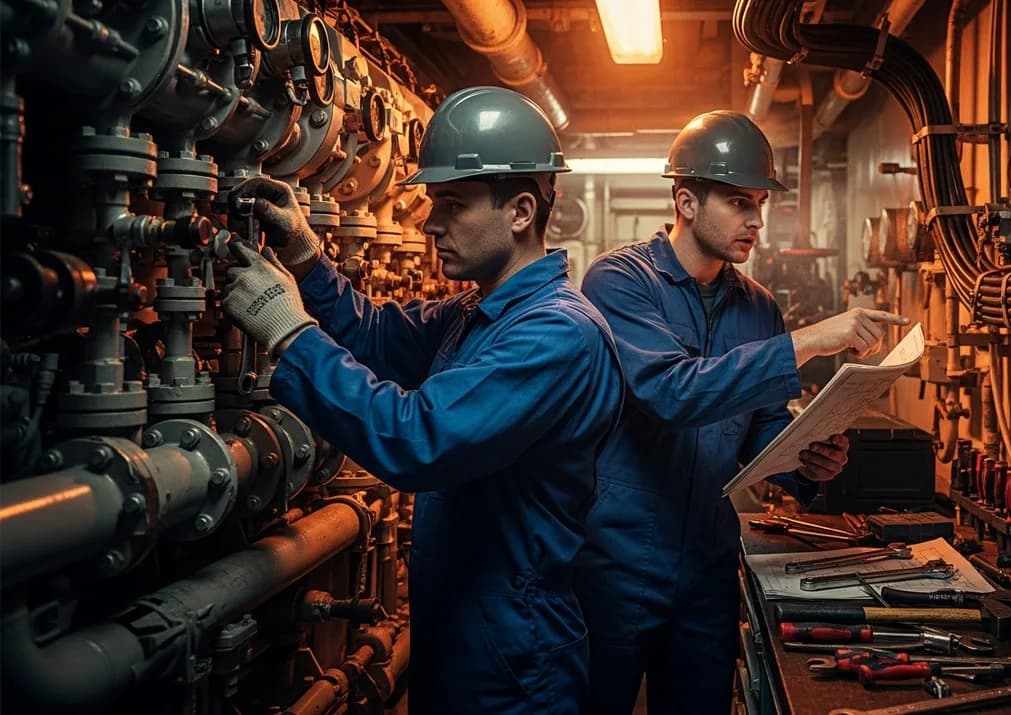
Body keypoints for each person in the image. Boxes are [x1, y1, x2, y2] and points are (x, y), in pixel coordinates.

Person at [220, 86, 624, 715]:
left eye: (453, 204)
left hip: (513, 658)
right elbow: (376, 336)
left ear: (521, 211)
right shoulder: (482, 312)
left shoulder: (556, 335)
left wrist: (288, 333)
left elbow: (418, 440)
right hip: (466, 629)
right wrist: (305, 259)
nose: (433, 223)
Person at [574, 110, 909, 714]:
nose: (757, 220)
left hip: (706, 567)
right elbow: (674, 393)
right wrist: (808, 341)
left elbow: (758, 424)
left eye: (760, 202)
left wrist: (806, 459)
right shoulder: (619, 283)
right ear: (685, 201)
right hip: (615, 566)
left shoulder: (756, 306)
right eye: (738, 202)